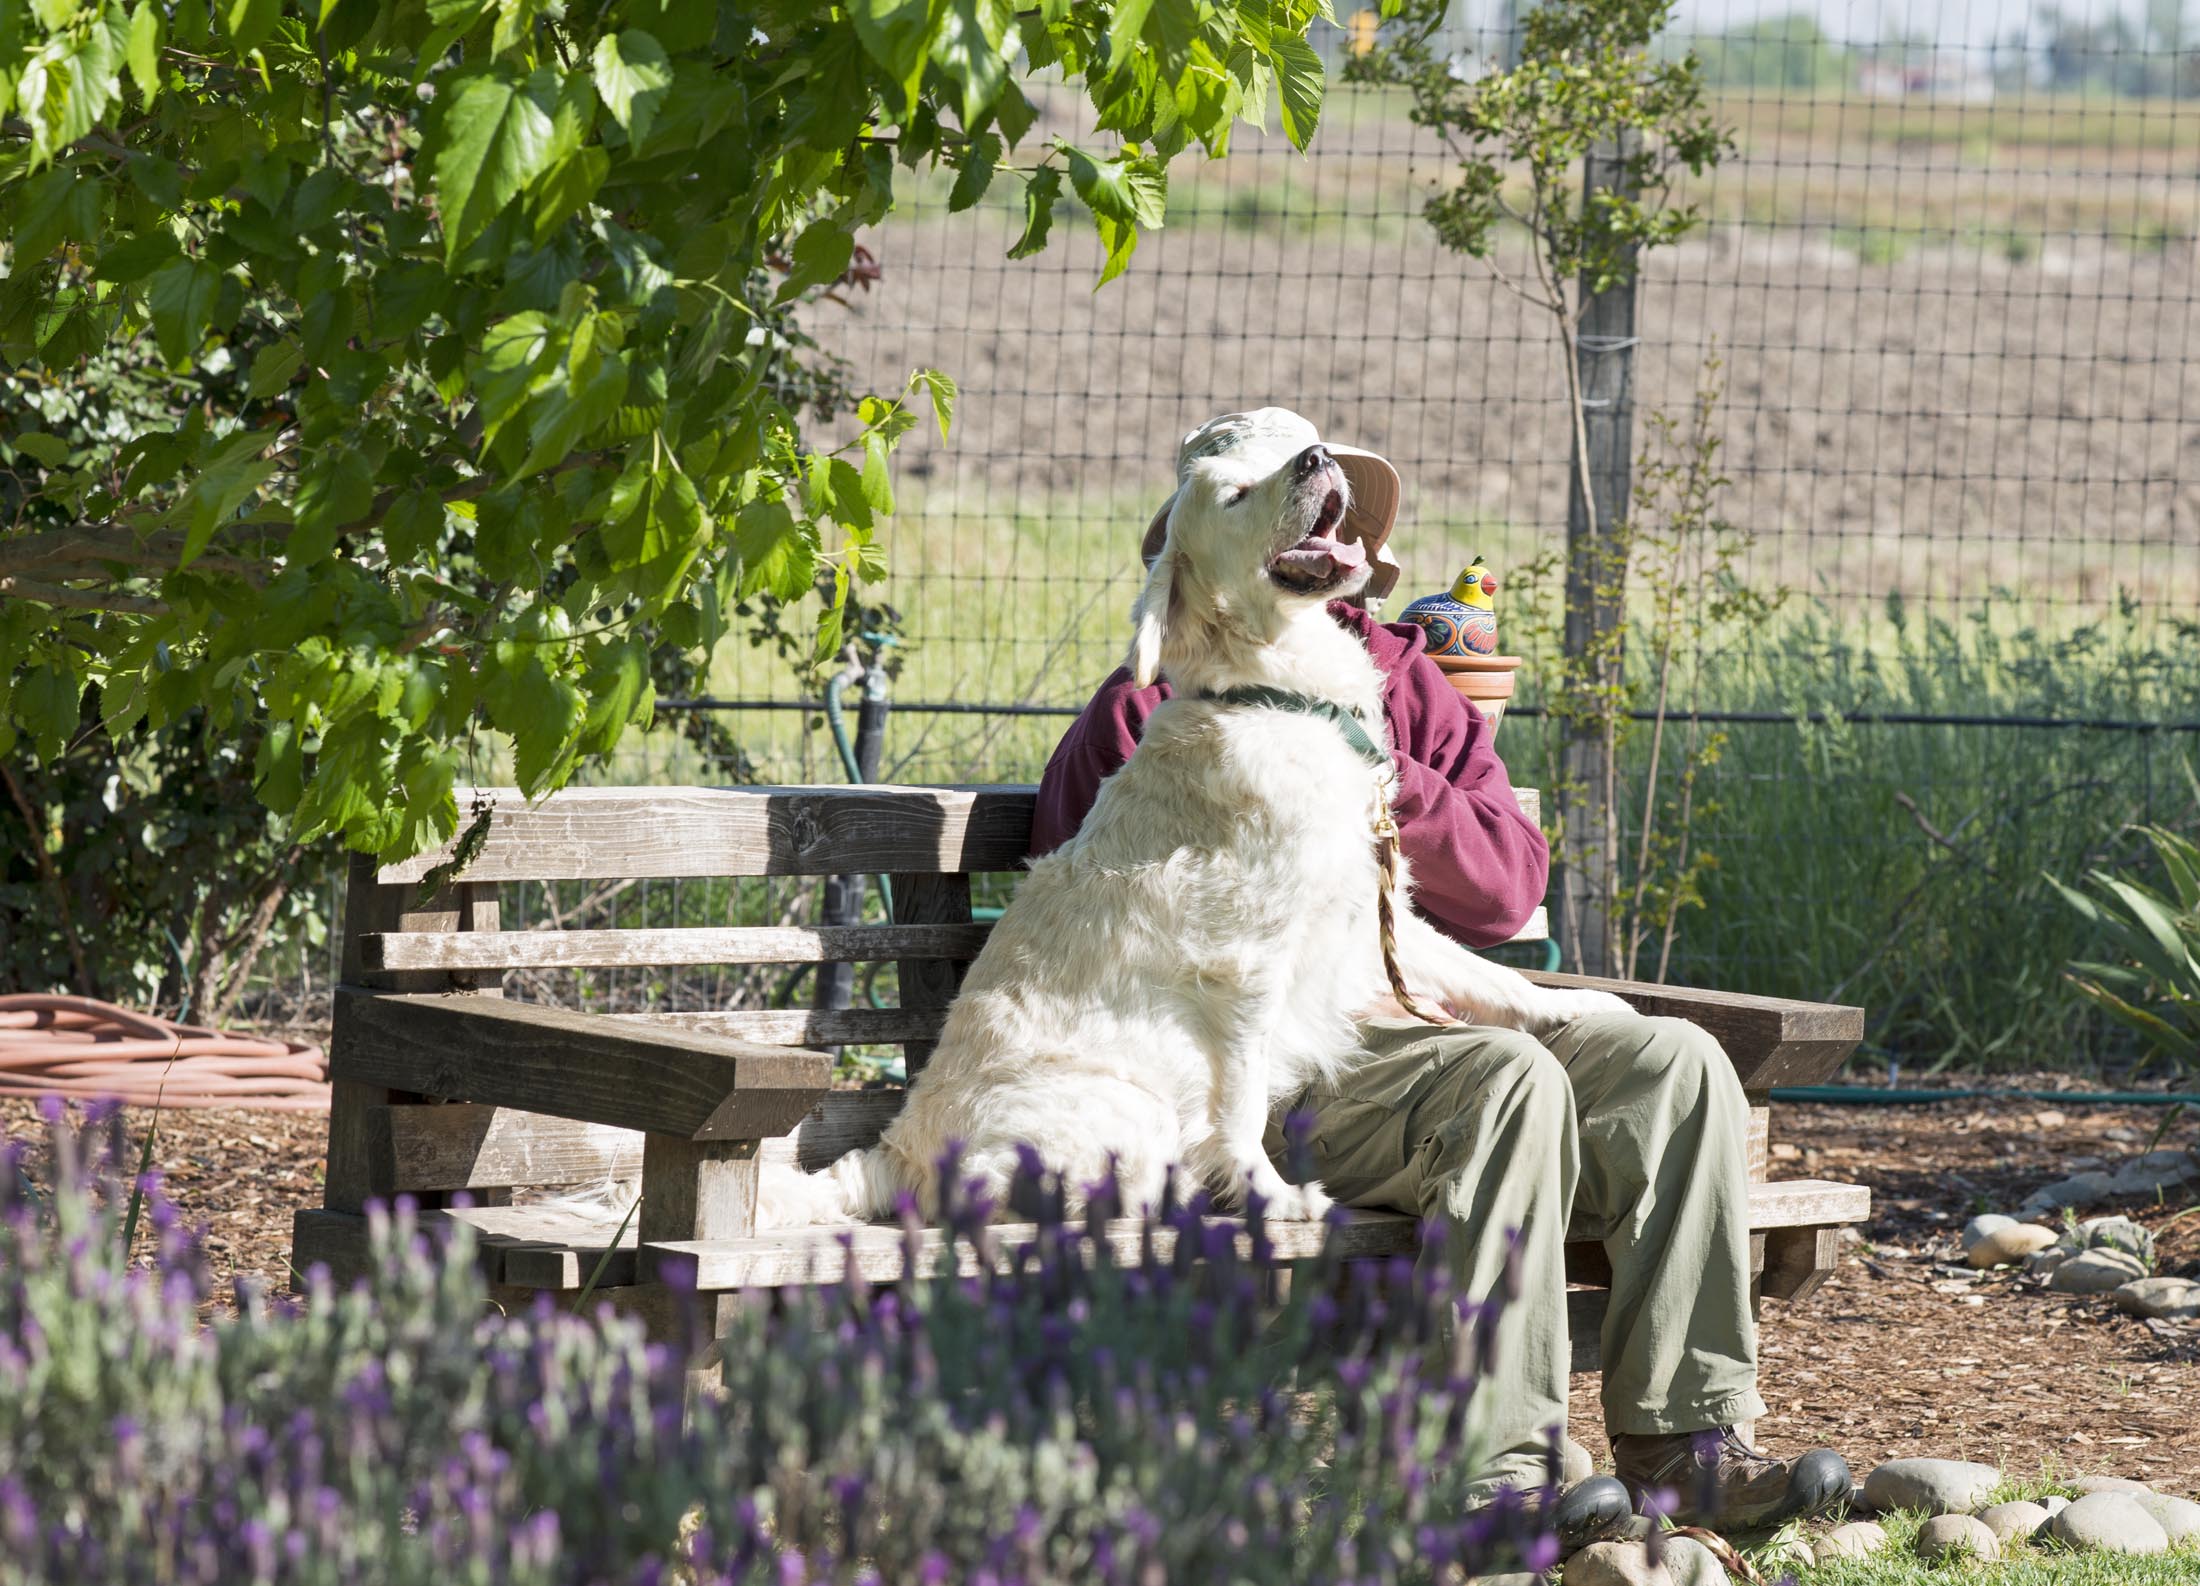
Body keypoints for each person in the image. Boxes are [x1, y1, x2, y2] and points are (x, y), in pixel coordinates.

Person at [1029, 409, 1850, 1548]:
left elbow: (1507, 888)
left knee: (1677, 1061)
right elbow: (1090, 929)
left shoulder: (1408, 683)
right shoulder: (1153, 696)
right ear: (1219, 547)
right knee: (1507, 1080)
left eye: (1338, 511)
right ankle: (1492, 1480)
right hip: (1269, 1072)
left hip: (1434, 1018)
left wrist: (1374, 769)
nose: (1331, 528)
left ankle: (1687, 1447)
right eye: (1293, 507)